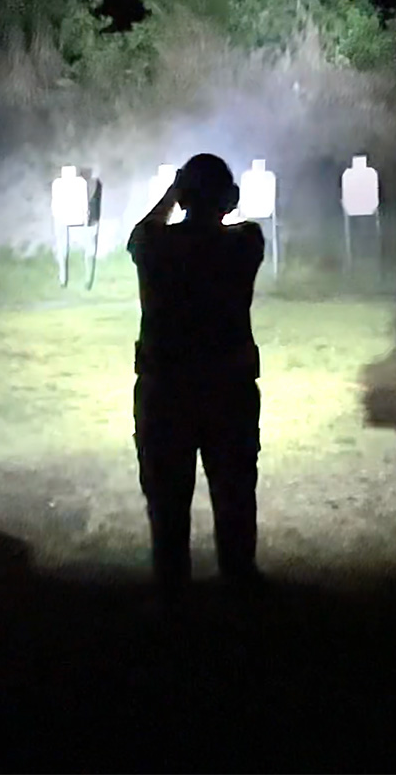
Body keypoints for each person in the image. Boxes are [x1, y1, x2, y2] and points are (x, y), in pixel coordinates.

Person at [127, 153, 268, 600]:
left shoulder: (154, 245)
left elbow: (142, 232)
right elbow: (233, 219)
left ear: (184, 197)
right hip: (229, 390)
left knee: (167, 505)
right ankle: (239, 588)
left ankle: (173, 598)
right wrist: (218, 199)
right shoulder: (246, 242)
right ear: (228, 198)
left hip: (165, 390)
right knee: (235, 497)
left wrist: (174, 191)